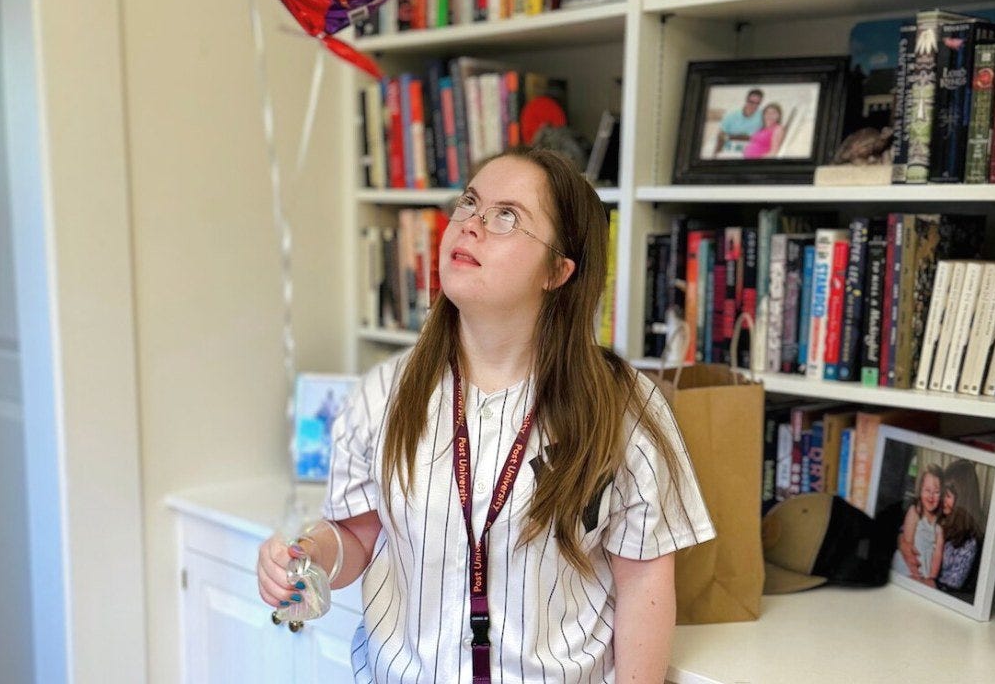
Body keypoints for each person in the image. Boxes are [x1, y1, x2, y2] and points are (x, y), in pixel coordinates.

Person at [257, 146, 715, 683]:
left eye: (505, 217)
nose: (470, 226)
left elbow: (645, 585)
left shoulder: (624, 411)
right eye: (468, 204)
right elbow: (356, 539)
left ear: (558, 271)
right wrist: (306, 556)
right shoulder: (383, 393)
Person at [891, 463, 944, 584]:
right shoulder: (914, 512)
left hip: (923, 571)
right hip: (906, 565)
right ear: (920, 491)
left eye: (936, 492)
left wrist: (931, 577)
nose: (931, 496)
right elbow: (907, 544)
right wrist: (914, 573)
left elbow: (937, 554)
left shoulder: (939, 525)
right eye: (927, 490)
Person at [937, 459, 985, 593]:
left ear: (962, 499)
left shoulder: (969, 543)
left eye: (947, 496)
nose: (942, 499)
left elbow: (953, 585)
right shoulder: (941, 518)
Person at [714, 88, 764, 157]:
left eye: (757, 103)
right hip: (730, 150)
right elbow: (721, 136)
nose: (754, 106)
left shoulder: (762, 117)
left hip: (750, 152)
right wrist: (715, 156)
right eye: (751, 102)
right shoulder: (731, 115)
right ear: (746, 100)